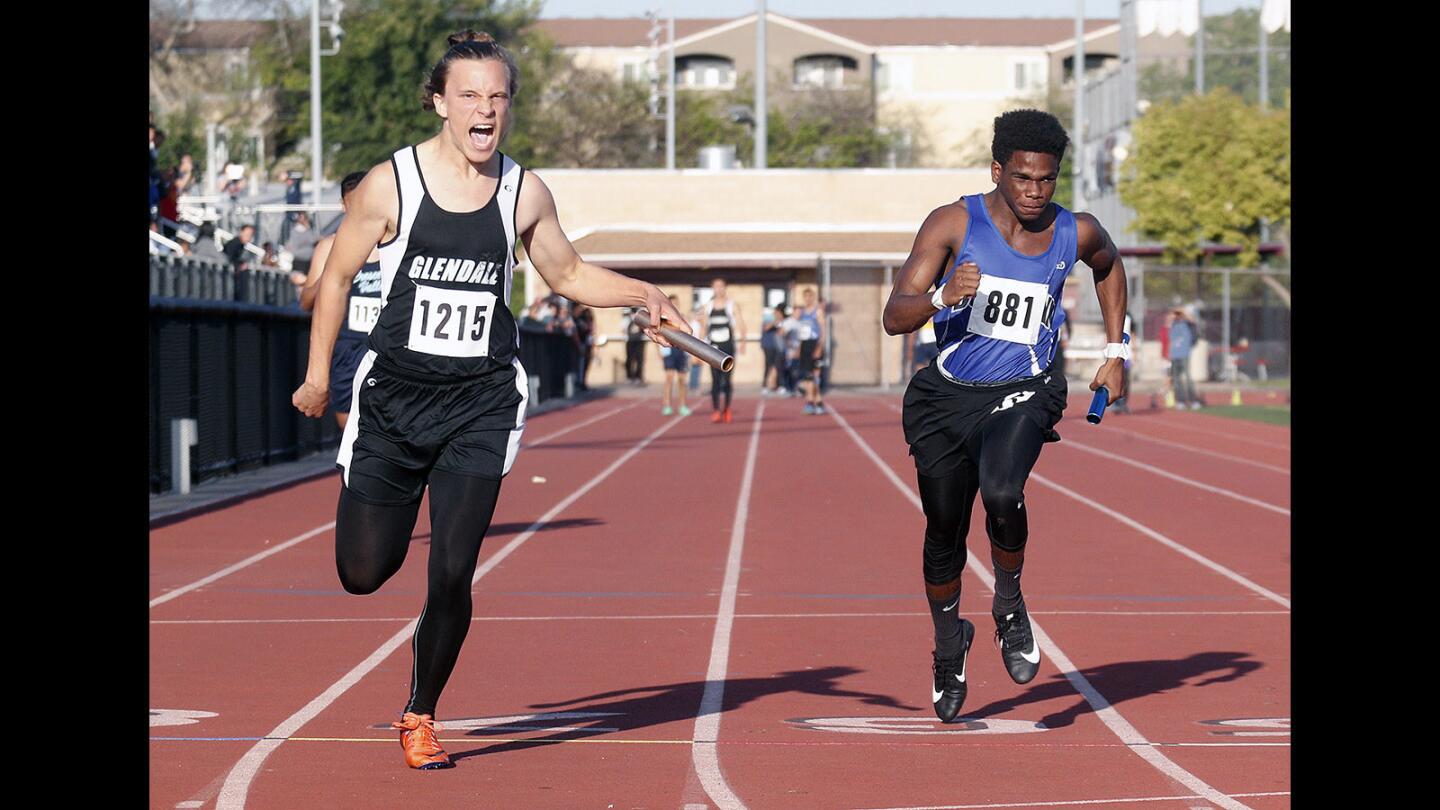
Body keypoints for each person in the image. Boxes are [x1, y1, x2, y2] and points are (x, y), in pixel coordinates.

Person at [289, 30, 689, 771]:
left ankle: (420, 713)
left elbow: (566, 272)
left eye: (498, 98)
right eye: (470, 96)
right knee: (363, 571)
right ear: (440, 103)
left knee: (452, 569)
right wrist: (320, 377)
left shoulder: (521, 190)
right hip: (393, 400)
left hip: (480, 400)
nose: (486, 111)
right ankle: (377, 508)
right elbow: (337, 279)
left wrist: (643, 294)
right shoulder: (391, 184)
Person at [882, 109, 1128, 723]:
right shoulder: (953, 222)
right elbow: (895, 313)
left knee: (1001, 489)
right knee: (944, 529)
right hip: (947, 395)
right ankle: (948, 644)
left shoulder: (1077, 231)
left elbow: (1110, 266)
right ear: (998, 170)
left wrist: (1116, 350)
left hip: (1027, 386)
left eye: (1047, 181)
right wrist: (943, 296)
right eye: (1023, 179)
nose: (1035, 193)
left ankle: (1009, 605)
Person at [298, 171, 381, 431]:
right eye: (353, 204)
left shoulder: (393, 243)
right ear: (343, 205)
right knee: (352, 437)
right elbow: (306, 302)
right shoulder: (328, 246)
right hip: (347, 349)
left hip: (385, 350)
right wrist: (332, 274)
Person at [696, 278, 745, 422]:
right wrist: (698, 348)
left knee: (727, 380)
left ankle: (727, 409)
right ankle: (716, 410)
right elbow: (703, 327)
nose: (719, 289)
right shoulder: (708, 306)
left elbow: (741, 324)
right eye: (716, 286)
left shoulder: (732, 305)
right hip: (713, 347)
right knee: (715, 380)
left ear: (725, 288)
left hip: (728, 346)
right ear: (712, 288)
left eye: (721, 286)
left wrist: (742, 342)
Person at [658, 294, 692, 416]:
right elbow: (657, 336)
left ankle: (682, 405)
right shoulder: (663, 319)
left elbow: (689, 335)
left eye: (676, 303)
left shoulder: (682, 319)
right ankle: (667, 405)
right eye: (672, 304)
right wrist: (659, 352)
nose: (674, 306)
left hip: (681, 352)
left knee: (682, 380)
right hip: (668, 351)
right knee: (669, 378)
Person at [795, 287, 826, 414]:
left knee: (814, 376)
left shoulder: (817, 312)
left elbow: (823, 331)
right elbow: (798, 329)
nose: (807, 299)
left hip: (815, 344)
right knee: (808, 376)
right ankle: (818, 402)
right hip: (804, 345)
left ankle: (810, 402)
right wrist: (798, 347)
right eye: (805, 297)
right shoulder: (802, 313)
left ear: (813, 297)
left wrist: (820, 347)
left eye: (810, 297)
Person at [1168, 306, 1202, 409]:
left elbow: (1193, 320)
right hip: (1174, 354)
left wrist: (1183, 313)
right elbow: (1169, 319)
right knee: (1176, 379)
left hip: (1184, 354)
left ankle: (1193, 400)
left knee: (1187, 378)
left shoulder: (1187, 323)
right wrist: (1174, 313)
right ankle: (1180, 400)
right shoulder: (1173, 324)